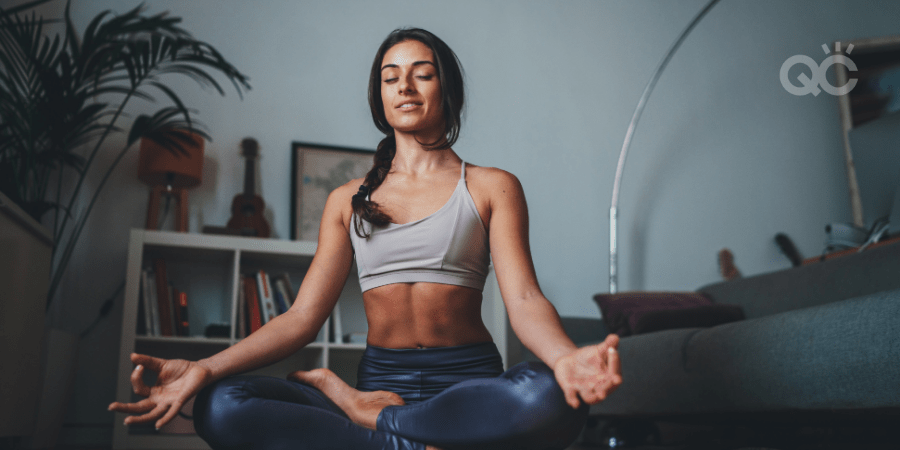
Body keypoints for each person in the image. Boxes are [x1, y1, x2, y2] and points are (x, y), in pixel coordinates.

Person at [108, 27, 622, 450]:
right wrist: (202, 368)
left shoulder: (492, 186)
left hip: (466, 387)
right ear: (379, 95)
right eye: (390, 77)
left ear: (448, 91)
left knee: (551, 398)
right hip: (380, 382)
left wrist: (565, 359)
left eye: (423, 74)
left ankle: (373, 424)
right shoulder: (346, 200)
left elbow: (526, 299)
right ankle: (424, 437)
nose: (406, 87)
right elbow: (301, 318)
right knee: (221, 406)